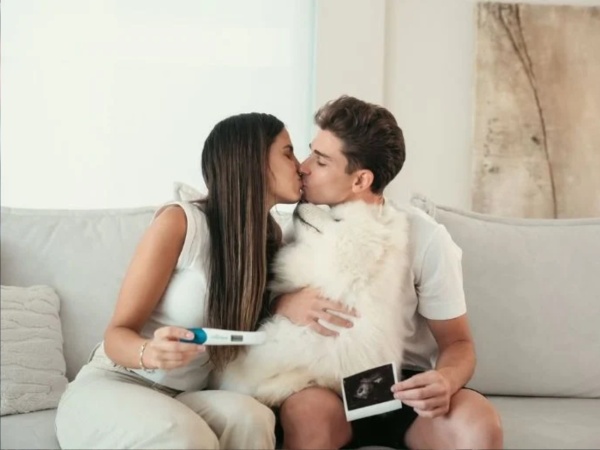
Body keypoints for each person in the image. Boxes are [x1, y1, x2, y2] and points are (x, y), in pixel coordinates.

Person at [55, 112, 303, 449]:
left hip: (181, 396)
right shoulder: (181, 222)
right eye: (288, 153)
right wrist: (151, 352)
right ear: (254, 159)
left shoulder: (267, 239)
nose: (300, 166)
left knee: (253, 417)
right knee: (186, 436)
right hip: (116, 383)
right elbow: (116, 335)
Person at [272, 96, 504, 449]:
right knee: (307, 413)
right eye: (310, 153)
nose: (303, 168)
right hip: (324, 386)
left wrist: (444, 379)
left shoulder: (424, 237)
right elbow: (247, 314)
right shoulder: (294, 226)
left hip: (402, 385)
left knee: (478, 424)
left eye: (320, 161)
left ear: (360, 180)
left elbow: (458, 343)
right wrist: (283, 303)